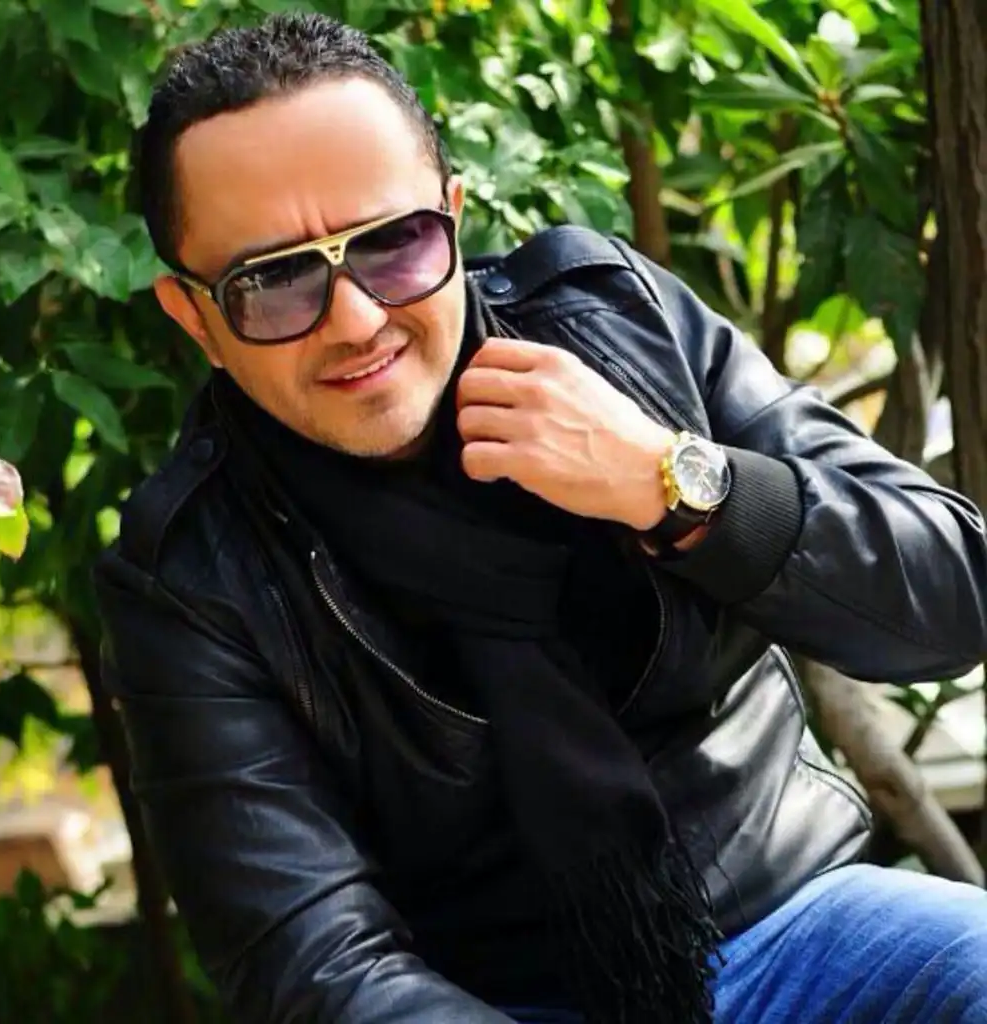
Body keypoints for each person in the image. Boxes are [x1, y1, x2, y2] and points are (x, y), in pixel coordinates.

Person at [94, 11, 987, 1024]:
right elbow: (316, 969)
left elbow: (956, 595)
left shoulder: (613, 320)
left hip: (803, 924)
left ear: (452, 215)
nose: (356, 319)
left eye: (392, 243)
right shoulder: (188, 578)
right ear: (194, 315)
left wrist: (672, 482)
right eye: (273, 280)